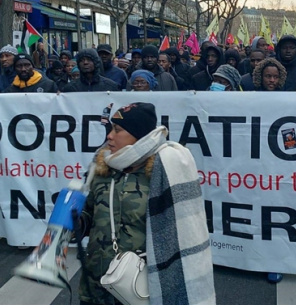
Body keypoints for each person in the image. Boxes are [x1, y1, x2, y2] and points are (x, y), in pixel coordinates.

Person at [77, 102, 215, 305]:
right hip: (96, 281)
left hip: (141, 284)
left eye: (118, 130)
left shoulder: (164, 172)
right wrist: (75, 223)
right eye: (110, 129)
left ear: (139, 135)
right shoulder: (102, 168)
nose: (109, 136)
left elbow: (184, 232)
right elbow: (89, 213)